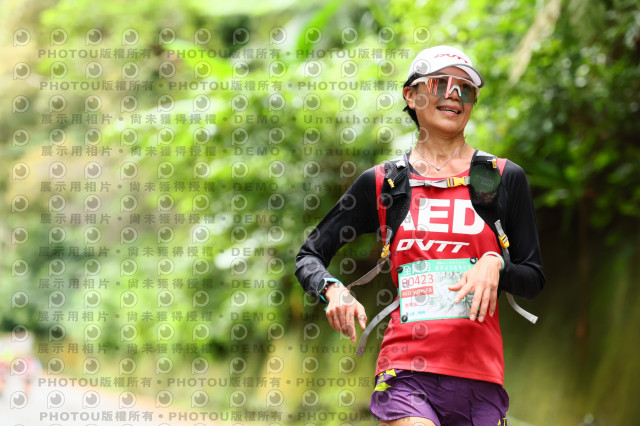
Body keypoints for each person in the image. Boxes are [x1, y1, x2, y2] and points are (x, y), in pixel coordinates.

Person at [295, 45, 545, 425]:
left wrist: (495, 263)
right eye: (440, 83)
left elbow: (533, 277)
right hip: (404, 371)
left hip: (481, 377)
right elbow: (309, 254)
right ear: (410, 96)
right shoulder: (385, 183)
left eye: (465, 88)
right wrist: (332, 289)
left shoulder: (501, 177)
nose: (454, 94)